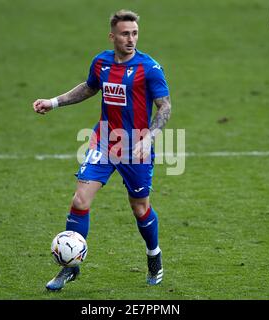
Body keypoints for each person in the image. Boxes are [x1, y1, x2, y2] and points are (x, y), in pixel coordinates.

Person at [32, 9, 172, 291]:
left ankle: (153, 256)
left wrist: (150, 137)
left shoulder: (150, 68)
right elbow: (88, 88)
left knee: (140, 208)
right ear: (112, 36)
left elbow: (165, 106)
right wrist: (54, 102)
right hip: (103, 141)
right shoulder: (101, 62)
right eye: (124, 34)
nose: (130, 39)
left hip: (136, 149)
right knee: (80, 200)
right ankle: (69, 267)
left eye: (134, 33)